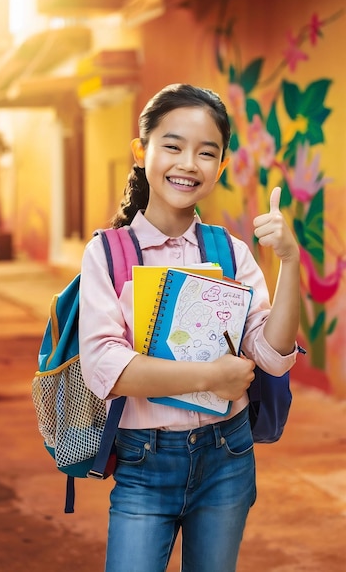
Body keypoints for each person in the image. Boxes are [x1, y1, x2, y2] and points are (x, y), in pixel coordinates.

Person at [79, 83, 300, 572]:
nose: (188, 164)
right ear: (142, 152)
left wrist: (290, 262)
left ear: (220, 166)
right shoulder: (107, 253)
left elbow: (271, 352)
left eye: (206, 152)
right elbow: (106, 369)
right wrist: (210, 377)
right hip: (142, 463)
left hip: (228, 457)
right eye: (173, 146)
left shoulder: (231, 252)